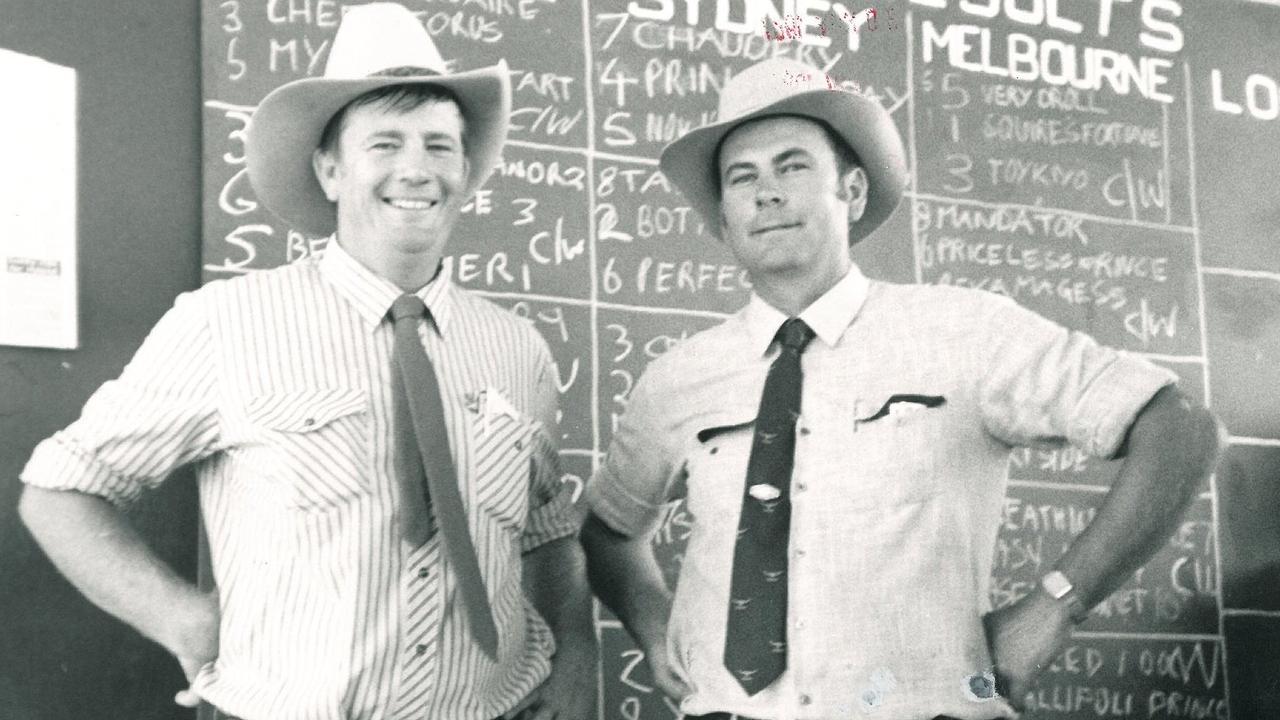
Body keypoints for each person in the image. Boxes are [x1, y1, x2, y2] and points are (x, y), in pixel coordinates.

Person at [579, 56, 1223, 720]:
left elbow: (1179, 430)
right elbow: (608, 531)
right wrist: (655, 632)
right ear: (722, 216)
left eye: (793, 165)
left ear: (852, 192)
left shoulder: (963, 331)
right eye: (742, 178)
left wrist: (1058, 604)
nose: (766, 192)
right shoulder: (680, 376)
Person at [17, 4, 596, 720]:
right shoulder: (224, 323)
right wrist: (180, 618)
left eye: (439, 146)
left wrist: (577, 663)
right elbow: (61, 491)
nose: (416, 169)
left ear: (466, 170)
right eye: (384, 143)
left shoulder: (518, 349)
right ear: (329, 170)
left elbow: (546, 532)